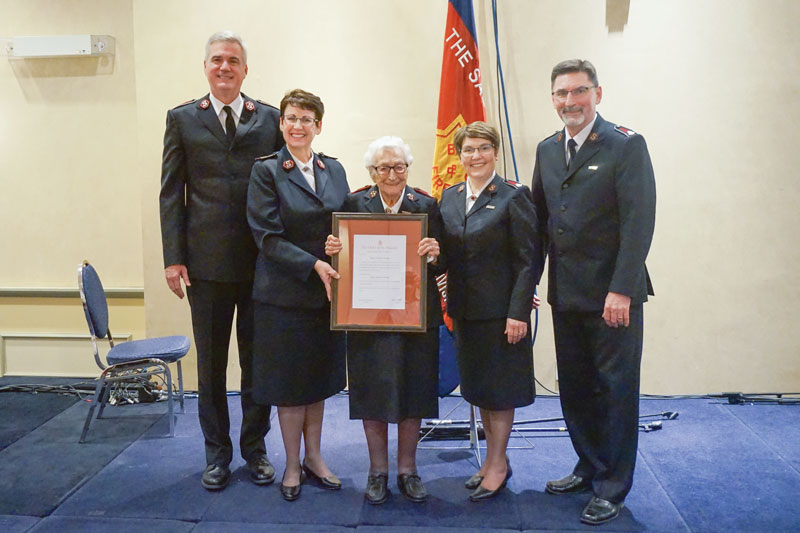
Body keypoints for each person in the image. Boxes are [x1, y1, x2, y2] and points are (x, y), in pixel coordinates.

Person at [531, 59, 656, 526]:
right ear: (553, 100)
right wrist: (530, 284)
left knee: (615, 390)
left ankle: (612, 485)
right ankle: (587, 465)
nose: (570, 102)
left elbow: (638, 221)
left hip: (612, 298)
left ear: (597, 95)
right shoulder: (547, 150)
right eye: (561, 94)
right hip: (567, 294)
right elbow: (540, 226)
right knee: (577, 388)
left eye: (579, 92)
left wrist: (622, 289)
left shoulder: (625, 145)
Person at [159, 30, 282, 491]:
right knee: (210, 367)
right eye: (217, 60)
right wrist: (174, 258)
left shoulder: (268, 118)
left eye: (233, 60)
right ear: (206, 68)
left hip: (259, 263)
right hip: (205, 266)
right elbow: (172, 193)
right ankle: (216, 454)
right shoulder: (183, 119)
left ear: (245, 69)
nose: (225, 67)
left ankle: (255, 450)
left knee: (257, 362)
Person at [324, 136, 443, 505]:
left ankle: (408, 470)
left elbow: (449, 258)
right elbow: (341, 261)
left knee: (415, 391)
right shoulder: (354, 204)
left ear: (408, 168)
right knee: (370, 392)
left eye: (399, 166)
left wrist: (437, 252)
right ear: (372, 172)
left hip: (415, 318)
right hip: (367, 317)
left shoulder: (426, 204)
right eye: (383, 168)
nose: (391, 174)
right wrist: (333, 252)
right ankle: (378, 471)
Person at [247, 89, 349, 502]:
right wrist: (314, 264)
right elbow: (266, 236)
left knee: (318, 381)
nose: (297, 125)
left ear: (318, 126)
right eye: (290, 118)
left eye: (306, 119)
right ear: (281, 124)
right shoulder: (267, 171)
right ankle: (291, 463)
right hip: (284, 295)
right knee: (291, 386)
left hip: (327, 296)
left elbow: (348, 220)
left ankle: (315, 458)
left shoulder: (334, 169)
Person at [439, 121, 539, 502]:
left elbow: (528, 261)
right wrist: (431, 256)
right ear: (460, 155)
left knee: (501, 392)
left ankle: (498, 462)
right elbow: (447, 256)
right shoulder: (450, 197)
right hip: (465, 311)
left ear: (494, 152)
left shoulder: (514, 196)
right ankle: (491, 460)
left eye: (483, 148)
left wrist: (518, 313)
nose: (475, 156)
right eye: (468, 149)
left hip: (501, 314)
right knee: (479, 389)